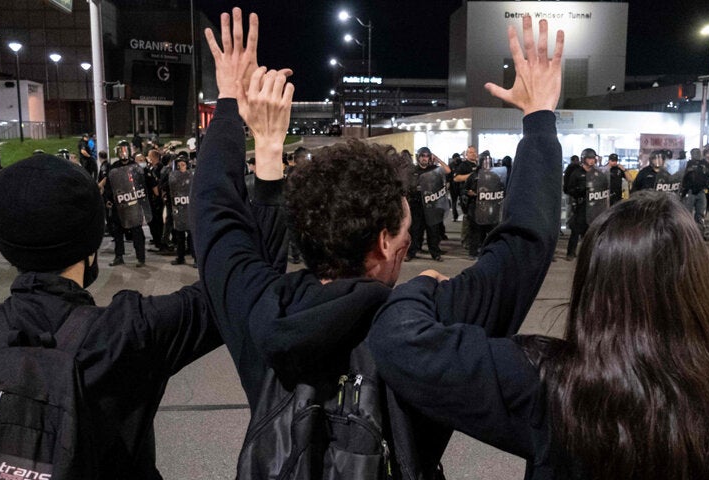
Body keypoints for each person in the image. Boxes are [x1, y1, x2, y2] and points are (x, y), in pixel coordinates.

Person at [369, 106, 709, 480]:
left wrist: (422, 285)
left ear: (593, 281)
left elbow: (403, 342)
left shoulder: (549, 381)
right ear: (696, 282)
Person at [194, 10, 563, 477]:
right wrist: (539, 119)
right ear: (387, 243)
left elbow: (214, 213)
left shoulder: (262, 308)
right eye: (405, 230)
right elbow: (524, 242)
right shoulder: (430, 322)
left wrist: (239, 115)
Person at [0, 70, 286, 478]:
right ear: (92, 248)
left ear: (4, 244)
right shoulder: (131, 333)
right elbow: (246, 285)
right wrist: (261, 147)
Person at [106, 143, 149, 267]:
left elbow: (142, 184)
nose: (123, 153)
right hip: (119, 204)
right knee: (118, 231)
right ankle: (118, 256)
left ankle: (141, 257)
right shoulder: (114, 167)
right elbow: (110, 184)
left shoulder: (135, 166)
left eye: (125, 151)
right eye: (120, 151)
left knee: (136, 231)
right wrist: (109, 198)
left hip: (133, 204)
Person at [407, 146, 450, 262]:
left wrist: (437, 158)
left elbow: (447, 170)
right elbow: (407, 186)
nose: (425, 158)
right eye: (422, 156)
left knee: (433, 230)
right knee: (415, 230)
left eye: (427, 156)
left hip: (432, 205)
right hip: (417, 205)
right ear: (418, 157)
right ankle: (411, 252)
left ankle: (435, 253)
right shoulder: (413, 171)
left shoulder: (434, 169)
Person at [565, 148, 597, 260]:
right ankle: (570, 253)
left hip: (594, 205)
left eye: (593, 158)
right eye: (589, 158)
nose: (591, 161)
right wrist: (581, 190)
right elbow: (569, 189)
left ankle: (588, 253)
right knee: (576, 230)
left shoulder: (596, 173)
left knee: (591, 231)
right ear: (584, 159)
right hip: (581, 205)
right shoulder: (577, 173)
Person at [682, 147, 709, 229]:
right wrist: (687, 171)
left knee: (700, 214)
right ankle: (687, 231)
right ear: (691, 154)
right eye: (695, 153)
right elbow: (681, 177)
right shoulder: (687, 164)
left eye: (698, 153)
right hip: (690, 191)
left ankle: (700, 232)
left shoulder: (704, 163)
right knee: (687, 213)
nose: (697, 154)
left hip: (701, 191)